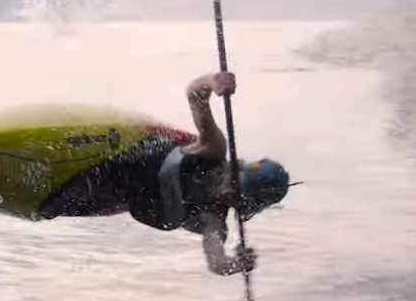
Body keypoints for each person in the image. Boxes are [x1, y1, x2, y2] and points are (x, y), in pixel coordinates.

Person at [34, 71, 293, 276]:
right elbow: (195, 94)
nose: (228, 193)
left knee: (48, 210)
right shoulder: (213, 149)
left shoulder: (213, 220)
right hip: (127, 157)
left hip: (114, 194)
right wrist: (215, 82)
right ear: (237, 168)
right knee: (108, 172)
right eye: (235, 185)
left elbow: (217, 262)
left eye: (238, 199)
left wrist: (236, 265)